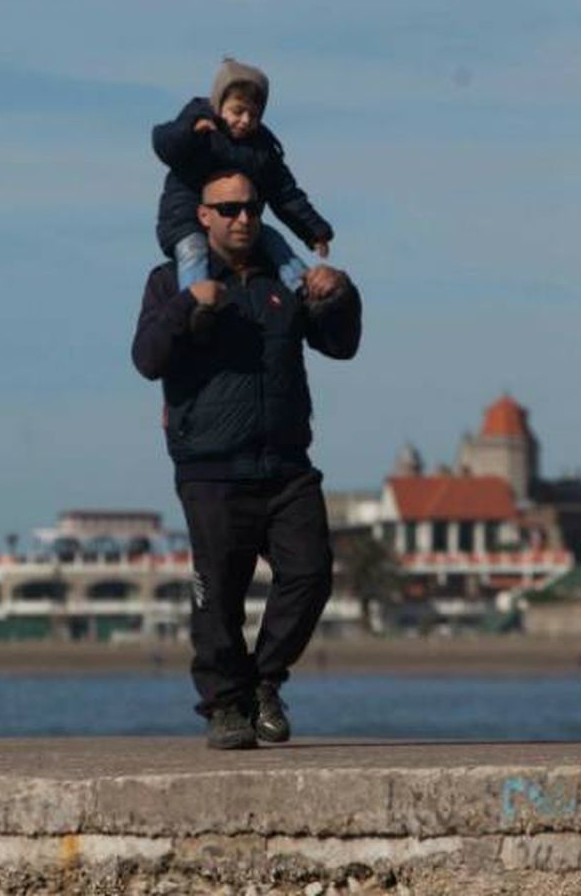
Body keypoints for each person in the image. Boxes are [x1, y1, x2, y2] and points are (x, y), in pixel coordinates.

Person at [131, 168, 362, 749]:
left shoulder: (285, 280)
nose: (243, 219)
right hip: (210, 467)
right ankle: (224, 707)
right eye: (229, 209)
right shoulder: (168, 281)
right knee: (220, 596)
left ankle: (263, 682)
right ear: (202, 215)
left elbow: (341, 345)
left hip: (286, 461)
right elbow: (147, 358)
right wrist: (187, 306)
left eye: (253, 208)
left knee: (310, 574)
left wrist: (342, 295)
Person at [151, 57, 333, 331]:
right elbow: (164, 142)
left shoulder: (261, 148)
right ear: (218, 104)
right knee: (193, 251)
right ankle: (197, 306)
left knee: (274, 241)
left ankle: (303, 289)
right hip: (184, 215)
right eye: (237, 111)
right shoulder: (198, 120)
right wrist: (190, 132)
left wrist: (314, 230)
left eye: (254, 115)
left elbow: (285, 193)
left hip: (240, 218)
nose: (245, 121)